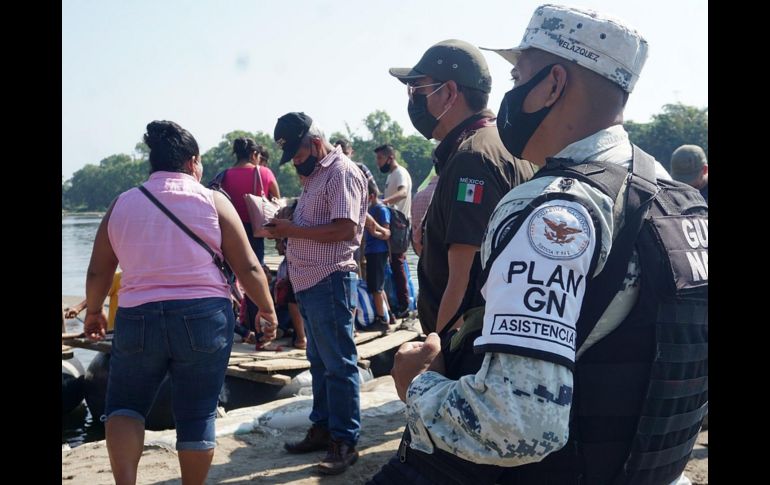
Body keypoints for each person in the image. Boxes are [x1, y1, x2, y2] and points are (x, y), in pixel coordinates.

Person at [371, 5, 708, 485]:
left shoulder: (556, 212)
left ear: (552, 83)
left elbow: (515, 424)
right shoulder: (676, 198)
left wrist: (417, 384)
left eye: (518, 74)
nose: (510, 91)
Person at [84, 120, 278, 485]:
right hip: (203, 318)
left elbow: (99, 272)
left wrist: (94, 312)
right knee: (197, 411)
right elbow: (249, 265)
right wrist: (266, 310)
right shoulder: (212, 200)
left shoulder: (122, 204)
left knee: (125, 406)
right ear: (193, 162)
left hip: (138, 318)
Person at [388, 39, 536, 335]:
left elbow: (462, 278)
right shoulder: (508, 145)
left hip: (469, 348)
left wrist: (439, 360)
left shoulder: (472, 158)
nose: (412, 99)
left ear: (450, 93)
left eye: (417, 89)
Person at [265, 112, 368, 475]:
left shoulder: (340, 172)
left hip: (330, 279)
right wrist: (288, 225)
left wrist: (292, 228)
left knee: (339, 364)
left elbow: (344, 229)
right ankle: (324, 428)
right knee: (321, 363)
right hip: (309, 280)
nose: (295, 160)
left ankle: (345, 441)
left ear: (316, 142)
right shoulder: (316, 176)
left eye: (297, 152)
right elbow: (315, 224)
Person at [218, 137, 281, 264]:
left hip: (230, 231)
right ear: (254, 154)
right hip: (256, 231)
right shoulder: (265, 173)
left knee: (231, 271)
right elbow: (277, 201)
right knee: (256, 267)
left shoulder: (224, 176)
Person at [374, 144, 412, 319]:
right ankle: (398, 302)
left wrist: (384, 202)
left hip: (399, 223)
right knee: (394, 263)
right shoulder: (391, 176)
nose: (377, 163)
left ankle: (404, 306)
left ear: (390, 157)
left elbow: (403, 192)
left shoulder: (399, 173)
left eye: (380, 159)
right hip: (393, 222)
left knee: (397, 263)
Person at [363, 180, 394, 332]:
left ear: (372, 196)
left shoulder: (380, 209)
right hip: (372, 251)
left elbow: (386, 233)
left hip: (377, 251)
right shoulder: (373, 209)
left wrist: (373, 230)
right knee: (378, 286)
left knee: (376, 287)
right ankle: (389, 314)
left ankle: (381, 320)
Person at [409, 170, 439, 256]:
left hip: (422, 252)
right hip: (442, 254)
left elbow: (414, 229)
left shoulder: (418, 196)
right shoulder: (450, 193)